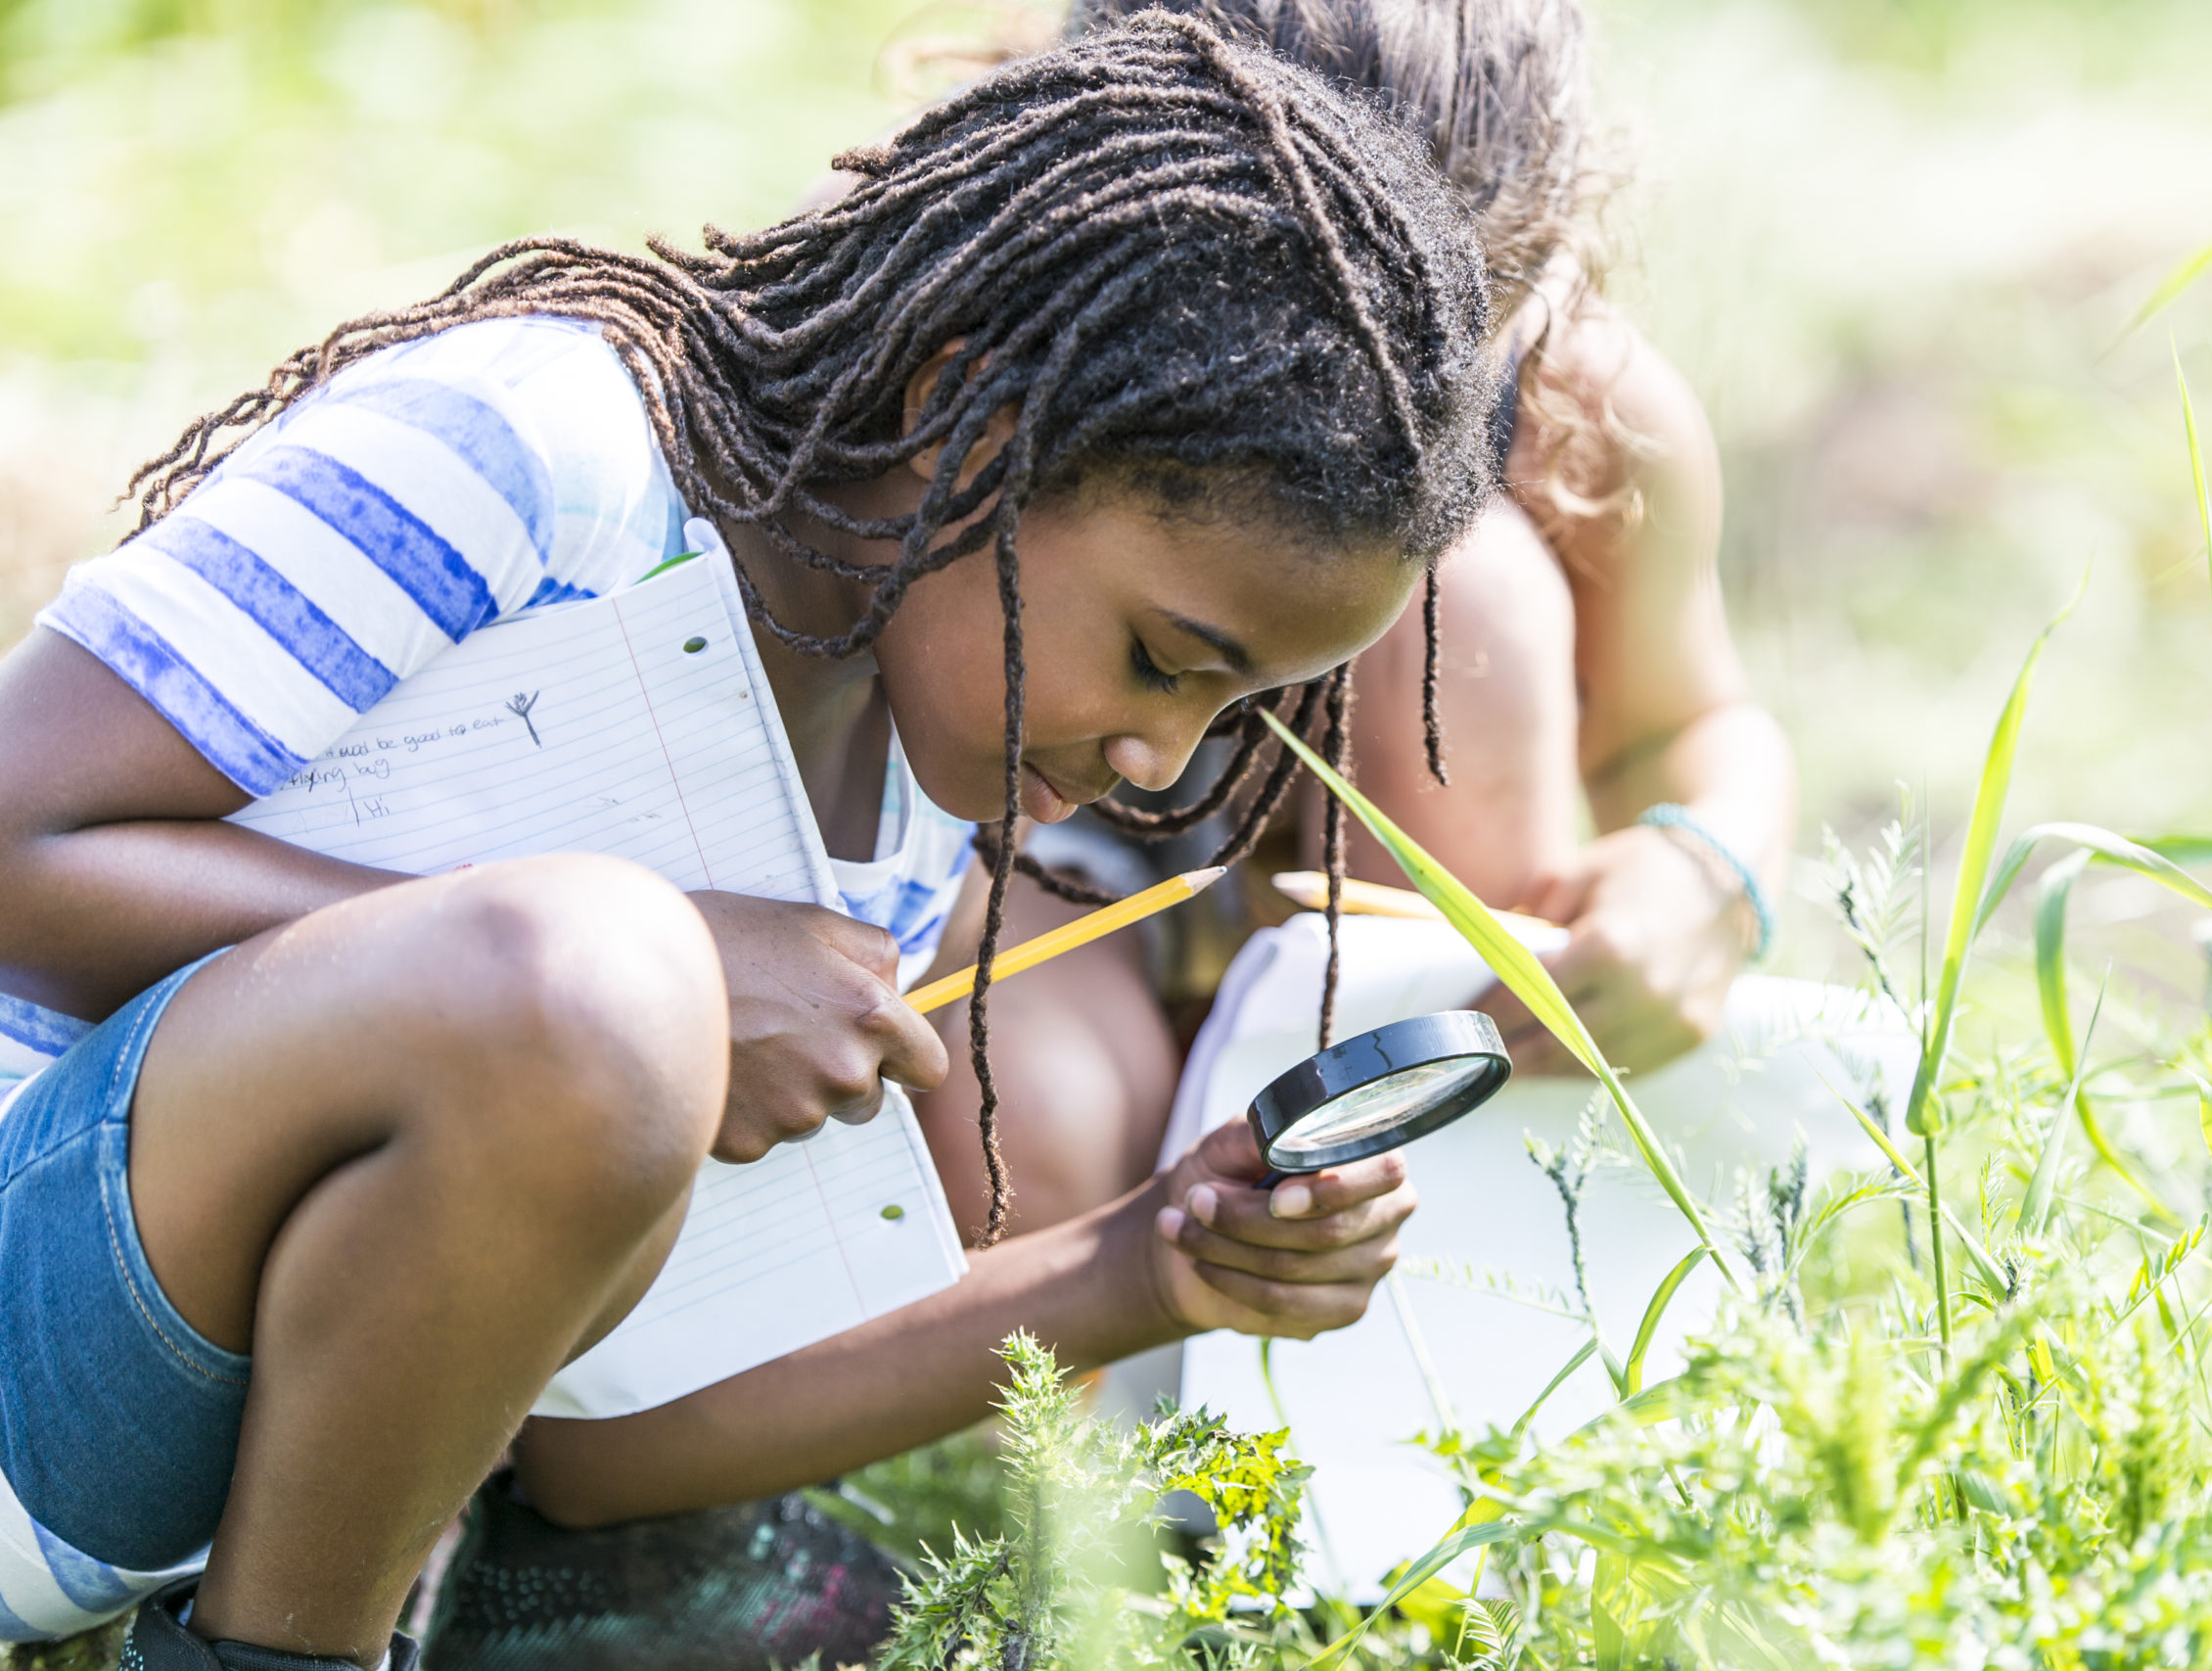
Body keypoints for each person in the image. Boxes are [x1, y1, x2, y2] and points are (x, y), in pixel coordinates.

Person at [0, 17, 1497, 1668]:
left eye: (1233, 713)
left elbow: (595, 1444)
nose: (1160, 755)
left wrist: (1152, 1261)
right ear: (969, 412)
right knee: (598, 983)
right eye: (1161, 656)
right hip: (35, 1304)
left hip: (142, 1493)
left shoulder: (909, 797)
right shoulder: (542, 449)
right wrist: (656, 970)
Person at [914, 0, 1800, 1242]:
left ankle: (1435, 1277)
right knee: (1028, 1124)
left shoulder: (1578, 406)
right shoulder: (963, 303)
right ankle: (1082, 1386)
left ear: (1529, 275)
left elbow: (1690, 720)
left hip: (1374, 891)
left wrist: (1706, 870)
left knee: (1471, 604)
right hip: (1034, 850)